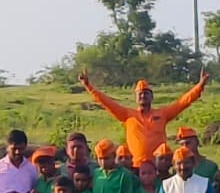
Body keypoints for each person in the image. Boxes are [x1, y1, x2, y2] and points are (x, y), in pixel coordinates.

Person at [78, 69, 211, 169]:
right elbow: (106, 102)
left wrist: (200, 85)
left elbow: (183, 102)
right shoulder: (127, 115)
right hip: (135, 167)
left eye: (146, 93)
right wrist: (88, 86)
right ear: (136, 98)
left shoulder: (162, 114)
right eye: (140, 94)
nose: (143, 96)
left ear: (152, 97)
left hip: (159, 166)